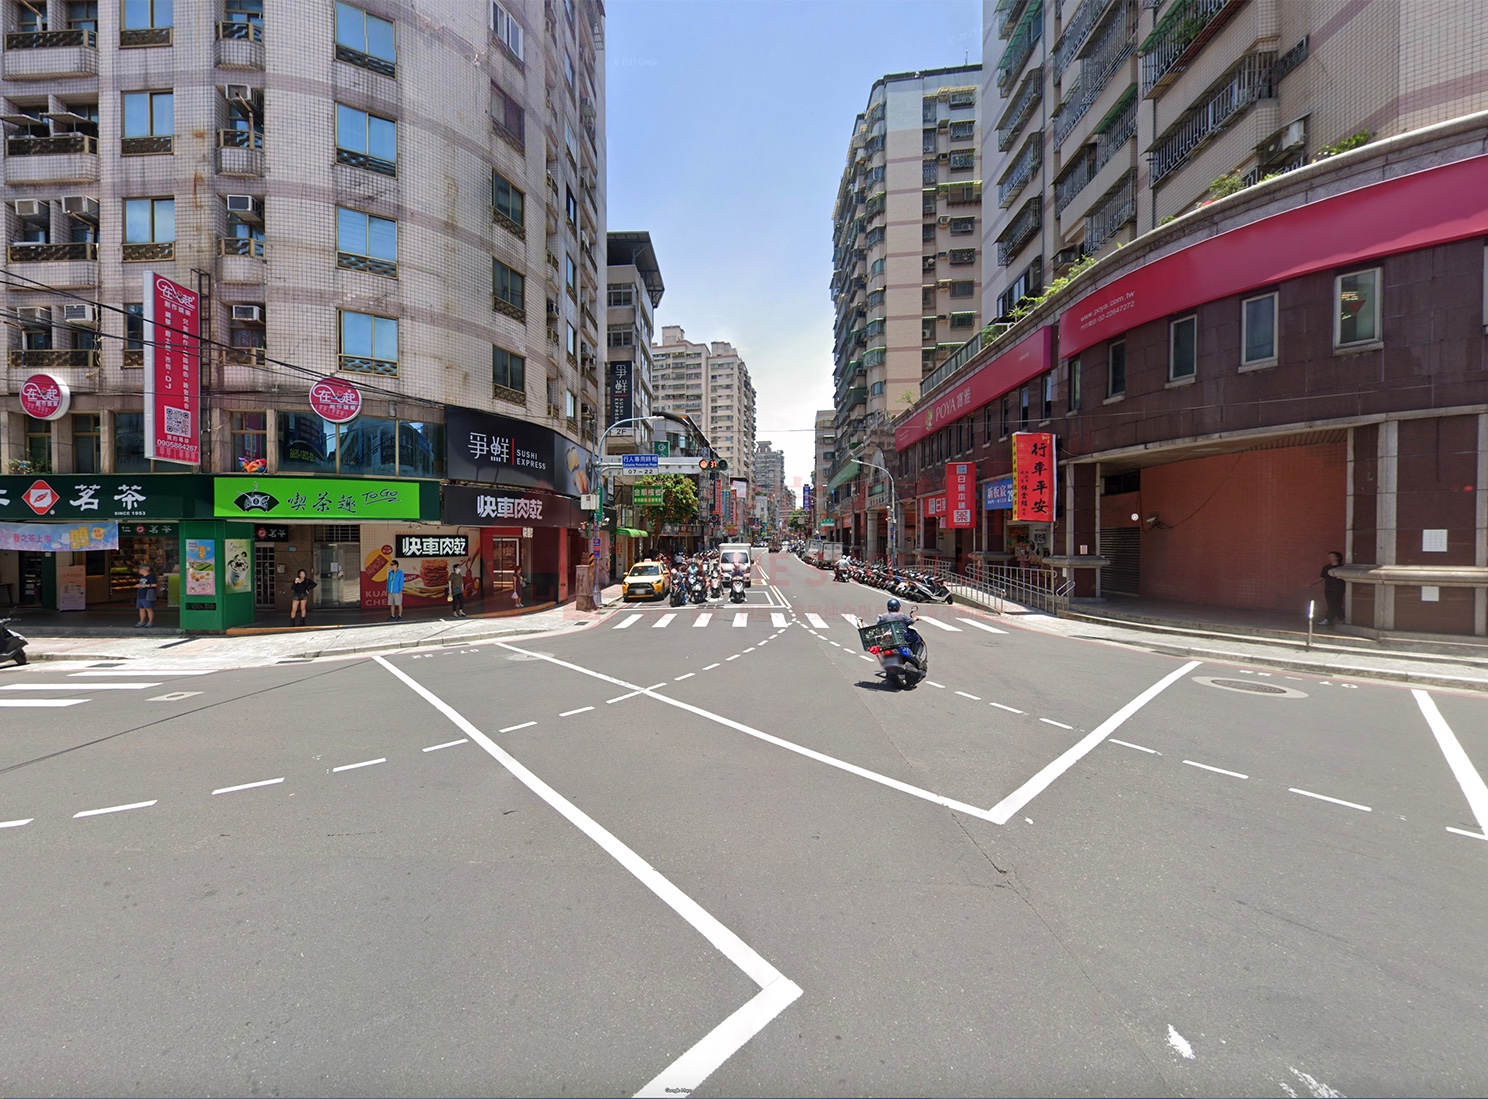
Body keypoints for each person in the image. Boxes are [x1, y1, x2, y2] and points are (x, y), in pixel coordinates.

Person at [1313, 550, 1347, 628]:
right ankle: (1342, 618)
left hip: (1338, 589)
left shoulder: (1342, 568)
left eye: (1332, 556)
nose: (1330, 557)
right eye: (1329, 556)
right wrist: (1313, 583)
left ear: (1337, 557)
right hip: (1328, 588)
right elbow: (1322, 577)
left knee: (1334, 604)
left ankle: (1329, 619)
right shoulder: (1326, 567)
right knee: (1332, 604)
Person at [134, 563, 157, 627]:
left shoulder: (151, 576)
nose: (139, 570)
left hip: (147, 594)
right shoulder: (142, 577)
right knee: (141, 608)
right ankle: (142, 621)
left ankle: (150, 621)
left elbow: (154, 585)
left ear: (144, 569)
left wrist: (142, 585)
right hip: (140, 594)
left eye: (140, 569)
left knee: (148, 608)